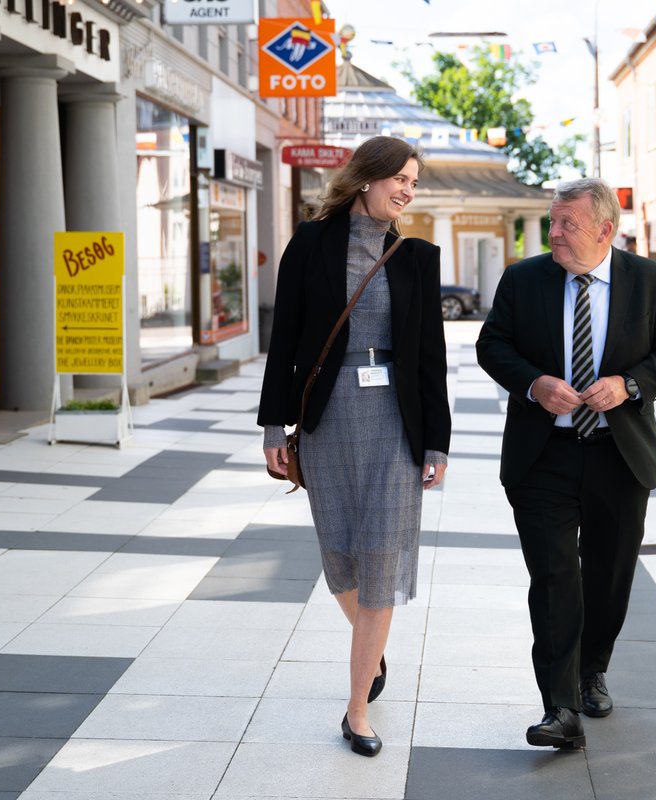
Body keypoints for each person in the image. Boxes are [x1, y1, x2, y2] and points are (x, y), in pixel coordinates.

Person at [476, 178, 656, 749]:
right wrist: (534, 384)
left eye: (566, 223)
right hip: (542, 455)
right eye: (552, 221)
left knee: (609, 573)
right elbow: (492, 345)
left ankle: (592, 669)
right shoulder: (524, 279)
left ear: (604, 229)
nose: (554, 233)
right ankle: (560, 707)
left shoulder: (650, 279)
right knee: (553, 578)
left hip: (619, 455)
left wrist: (629, 385)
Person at [257, 136, 451, 758]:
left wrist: (437, 442)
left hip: (396, 420)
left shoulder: (416, 257)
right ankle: (376, 651)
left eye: (414, 182)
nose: (408, 190)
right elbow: (285, 338)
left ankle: (357, 708)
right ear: (367, 178)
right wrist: (273, 426)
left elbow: (431, 356)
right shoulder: (311, 243)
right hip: (329, 418)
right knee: (339, 557)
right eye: (400, 178)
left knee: (381, 560)